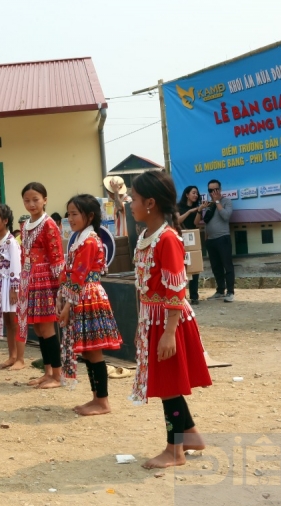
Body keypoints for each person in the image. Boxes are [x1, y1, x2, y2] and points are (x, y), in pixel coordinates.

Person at [129, 170, 211, 468]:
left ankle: (174, 451)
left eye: (134, 198)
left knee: (168, 386)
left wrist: (168, 332)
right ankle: (190, 437)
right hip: (155, 318)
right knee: (168, 384)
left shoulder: (166, 238)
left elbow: (177, 288)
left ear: (149, 203)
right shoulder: (146, 236)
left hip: (168, 321)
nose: (130, 202)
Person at [58, 194, 123, 415]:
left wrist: (67, 306)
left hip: (88, 297)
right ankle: (96, 398)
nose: (70, 218)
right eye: (69, 214)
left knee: (94, 352)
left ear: (90, 215)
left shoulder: (87, 241)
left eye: (75, 214)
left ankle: (102, 401)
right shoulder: (81, 239)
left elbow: (79, 276)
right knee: (87, 352)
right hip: (83, 296)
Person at [19, 182, 66, 389]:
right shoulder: (26, 224)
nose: (31, 204)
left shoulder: (48, 224)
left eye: (35, 199)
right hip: (30, 278)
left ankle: (57, 374)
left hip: (46, 279)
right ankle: (47, 372)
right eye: (27, 200)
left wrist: (60, 287)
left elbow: (57, 256)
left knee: (47, 327)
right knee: (38, 328)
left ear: (45, 200)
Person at [0, 204, 24, 370]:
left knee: (14, 320)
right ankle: (12, 355)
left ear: (5, 220)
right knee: (8, 322)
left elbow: (15, 266)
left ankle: (19, 358)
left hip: (9, 284)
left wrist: (14, 289)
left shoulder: (11, 242)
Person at [202, 178, 235, 302]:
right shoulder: (208, 205)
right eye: (210, 190)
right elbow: (206, 221)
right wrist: (206, 236)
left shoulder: (226, 202)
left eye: (215, 189)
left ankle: (230, 292)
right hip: (211, 240)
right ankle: (220, 290)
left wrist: (217, 202)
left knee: (227, 265)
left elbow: (226, 216)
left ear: (220, 189)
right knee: (216, 267)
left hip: (223, 238)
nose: (213, 192)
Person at [177, 186, 206, 305]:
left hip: (193, 238)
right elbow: (177, 220)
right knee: (181, 267)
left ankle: (194, 296)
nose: (195, 195)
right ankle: (180, 296)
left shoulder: (197, 207)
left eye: (197, 193)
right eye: (193, 193)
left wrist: (199, 210)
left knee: (194, 267)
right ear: (187, 194)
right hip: (180, 238)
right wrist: (189, 211)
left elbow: (195, 223)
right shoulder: (178, 207)